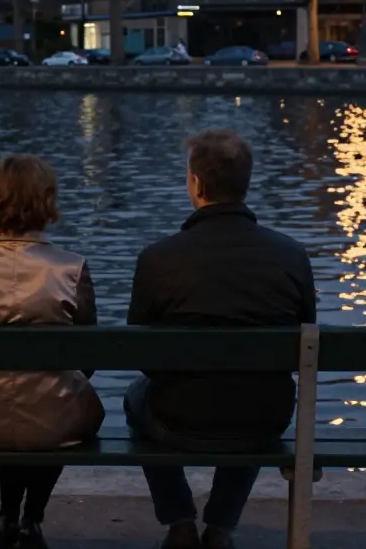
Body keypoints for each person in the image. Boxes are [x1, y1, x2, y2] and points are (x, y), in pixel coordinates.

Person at [125, 130, 317, 549]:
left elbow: (142, 353)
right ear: (244, 184)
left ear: (195, 184)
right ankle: (221, 527)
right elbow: (305, 342)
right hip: (263, 420)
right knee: (254, 388)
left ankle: (178, 520)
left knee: (134, 399)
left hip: (176, 419)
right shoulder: (291, 255)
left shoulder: (159, 258)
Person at [0, 154, 105, 549]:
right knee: (54, 400)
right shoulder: (72, 267)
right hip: (55, 418)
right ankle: (32, 518)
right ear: (46, 202)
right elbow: (90, 355)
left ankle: (6, 513)